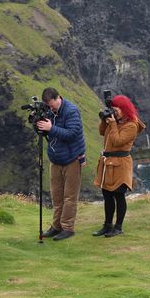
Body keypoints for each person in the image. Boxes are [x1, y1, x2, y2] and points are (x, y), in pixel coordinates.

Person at [36, 87, 86, 241]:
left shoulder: (71, 111)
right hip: (55, 160)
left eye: (52, 105)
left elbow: (71, 134)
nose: (50, 109)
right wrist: (40, 126)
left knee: (69, 197)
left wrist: (51, 128)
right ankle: (56, 226)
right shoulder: (50, 111)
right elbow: (48, 133)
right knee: (56, 196)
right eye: (48, 106)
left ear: (59, 98)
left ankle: (67, 228)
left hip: (72, 159)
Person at [93, 95, 146, 237]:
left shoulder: (132, 125)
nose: (114, 113)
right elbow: (101, 131)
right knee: (107, 195)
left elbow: (117, 141)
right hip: (108, 163)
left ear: (123, 109)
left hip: (121, 164)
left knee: (119, 195)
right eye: (113, 110)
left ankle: (118, 227)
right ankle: (107, 225)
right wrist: (105, 119)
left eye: (116, 110)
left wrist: (113, 124)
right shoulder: (114, 121)